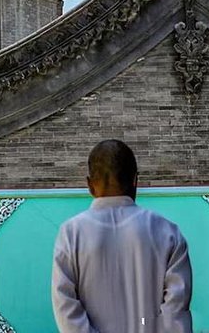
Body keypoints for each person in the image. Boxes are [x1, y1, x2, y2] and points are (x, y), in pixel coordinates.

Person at [51, 139, 193, 333]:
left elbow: (64, 306)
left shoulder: (70, 234)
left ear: (90, 185)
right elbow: (175, 313)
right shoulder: (168, 233)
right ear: (135, 180)